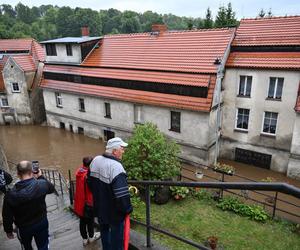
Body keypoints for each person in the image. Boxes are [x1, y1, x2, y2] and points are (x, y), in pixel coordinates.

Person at [89, 137, 132, 250]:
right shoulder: (116, 167)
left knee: (104, 231)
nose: (123, 151)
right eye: (122, 149)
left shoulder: (95, 160)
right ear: (114, 151)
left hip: (100, 207)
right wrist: (127, 210)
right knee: (117, 238)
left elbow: (89, 183)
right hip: (114, 212)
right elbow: (122, 196)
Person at [2, 160, 55, 250]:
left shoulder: (10, 195)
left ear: (18, 174)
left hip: (23, 227)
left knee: (26, 246)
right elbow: (51, 189)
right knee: (43, 246)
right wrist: (40, 176)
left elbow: (7, 215)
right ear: (32, 171)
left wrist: (9, 230)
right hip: (41, 222)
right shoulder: (41, 184)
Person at [74, 156, 100, 246]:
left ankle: (85, 239)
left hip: (79, 202)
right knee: (90, 221)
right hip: (88, 203)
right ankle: (91, 237)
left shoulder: (79, 172)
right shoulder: (88, 176)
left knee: (82, 221)